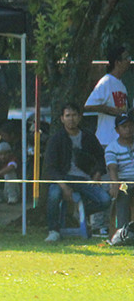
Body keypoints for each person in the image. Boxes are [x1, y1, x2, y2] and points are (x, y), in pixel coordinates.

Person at [43, 102, 111, 243]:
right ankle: (53, 230)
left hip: (85, 179)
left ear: (79, 117)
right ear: (62, 118)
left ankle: (80, 212)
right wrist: (64, 186)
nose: (71, 119)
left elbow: (100, 157)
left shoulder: (88, 136)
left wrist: (97, 174)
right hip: (63, 179)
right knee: (53, 195)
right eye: (68, 115)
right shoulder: (56, 139)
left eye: (74, 115)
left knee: (105, 200)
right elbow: (51, 168)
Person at [84, 44, 130, 147]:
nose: (129, 61)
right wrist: (112, 110)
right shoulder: (106, 82)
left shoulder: (122, 85)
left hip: (120, 141)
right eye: (126, 58)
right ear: (117, 62)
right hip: (106, 140)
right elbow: (88, 105)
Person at [105, 111, 134, 240]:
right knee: (123, 193)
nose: (128, 129)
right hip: (124, 181)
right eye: (124, 127)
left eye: (131, 126)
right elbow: (113, 169)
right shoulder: (112, 148)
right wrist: (115, 184)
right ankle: (123, 232)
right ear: (117, 130)